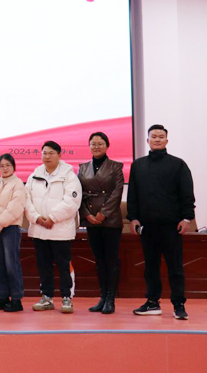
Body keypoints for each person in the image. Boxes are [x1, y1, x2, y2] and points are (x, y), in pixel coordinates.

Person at [128, 124, 195, 320]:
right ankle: (152, 303)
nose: (157, 139)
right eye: (154, 136)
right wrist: (133, 217)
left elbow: (187, 193)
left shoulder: (178, 164)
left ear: (166, 140)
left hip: (171, 226)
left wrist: (186, 218)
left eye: (161, 136)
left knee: (175, 267)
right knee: (150, 267)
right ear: (147, 140)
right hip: (147, 226)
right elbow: (133, 195)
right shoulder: (138, 165)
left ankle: (178, 305)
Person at [25, 141, 82, 314]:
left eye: (51, 153)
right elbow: (26, 199)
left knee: (64, 266)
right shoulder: (35, 175)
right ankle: (47, 297)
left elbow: (72, 201)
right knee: (44, 266)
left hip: (60, 231)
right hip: (39, 229)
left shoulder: (69, 176)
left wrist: (52, 218)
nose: (47, 156)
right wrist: (37, 218)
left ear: (59, 155)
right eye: (44, 153)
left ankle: (67, 298)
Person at [78, 132, 124, 315]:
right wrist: (87, 214)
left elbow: (117, 193)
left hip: (110, 219)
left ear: (107, 146)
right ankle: (103, 297)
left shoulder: (116, 166)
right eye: (93, 144)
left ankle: (111, 299)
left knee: (111, 260)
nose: (96, 147)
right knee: (99, 261)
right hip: (91, 219)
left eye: (100, 143)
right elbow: (78, 193)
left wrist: (103, 214)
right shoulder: (83, 168)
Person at [0, 153, 26, 312]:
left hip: (10, 228)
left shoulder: (18, 184)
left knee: (11, 264)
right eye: (1, 166)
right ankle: (2, 297)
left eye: (8, 165)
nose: (5, 168)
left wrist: (0, 223)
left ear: (13, 167)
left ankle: (16, 299)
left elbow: (16, 206)